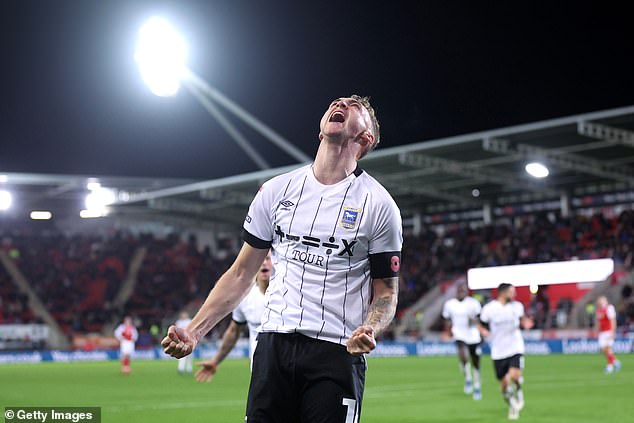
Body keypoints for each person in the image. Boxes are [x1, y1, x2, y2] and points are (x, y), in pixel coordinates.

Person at [162, 95, 403, 422]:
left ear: (366, 138)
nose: (341, 104)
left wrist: (370, 327)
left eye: (353, 107)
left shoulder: (379, 206)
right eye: (337, 102)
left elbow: (386, 291)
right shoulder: (276, 191)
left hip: (336, 350)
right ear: (321, 130)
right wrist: (194, 331)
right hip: (273, 345)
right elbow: (240, 274)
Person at [195, 251, 272, 382]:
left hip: (289, 371)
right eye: (261, 259)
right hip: (259, 373)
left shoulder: (289, 295)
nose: (264, 262)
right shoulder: (246, 297)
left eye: (268, 259)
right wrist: (215, 361)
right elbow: (234, 331)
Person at [479, 284, 533, 420]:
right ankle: (512, 406)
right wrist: (483, 331)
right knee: (503, 385)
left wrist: (526, 323)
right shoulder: (489, 309)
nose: (514, 294)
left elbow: (523, 320)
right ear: (503, 293)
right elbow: (481, 323)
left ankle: (519, 390)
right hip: (498, 351)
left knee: (514, 375)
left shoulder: (517, 307)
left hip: (515, 347)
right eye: (511, 291)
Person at [442, 283, 483, 400]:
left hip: (473, 335)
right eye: (459, 290)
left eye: (463, 290)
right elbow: (447, 319)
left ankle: (477, 384)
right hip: (459, 334)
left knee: (475, 362)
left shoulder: (473, 303)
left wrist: (473, 320)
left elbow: (479, 320)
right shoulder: (450, 304)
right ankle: (468, 378)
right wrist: (448, 331)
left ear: (466, 291)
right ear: (456, 292)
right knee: (463, 355)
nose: (461, 292)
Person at [595, 295, 621, 374]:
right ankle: (615, 362)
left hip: (609, 331)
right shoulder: (599, 310)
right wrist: (597, 330)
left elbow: (612, 320)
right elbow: (599, 322)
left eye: (602, 300)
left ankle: (610, 366)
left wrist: (613, 332)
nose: (600, 301)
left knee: (608, 348)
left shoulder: (609, 308)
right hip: (602, 332)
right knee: (603, 349)